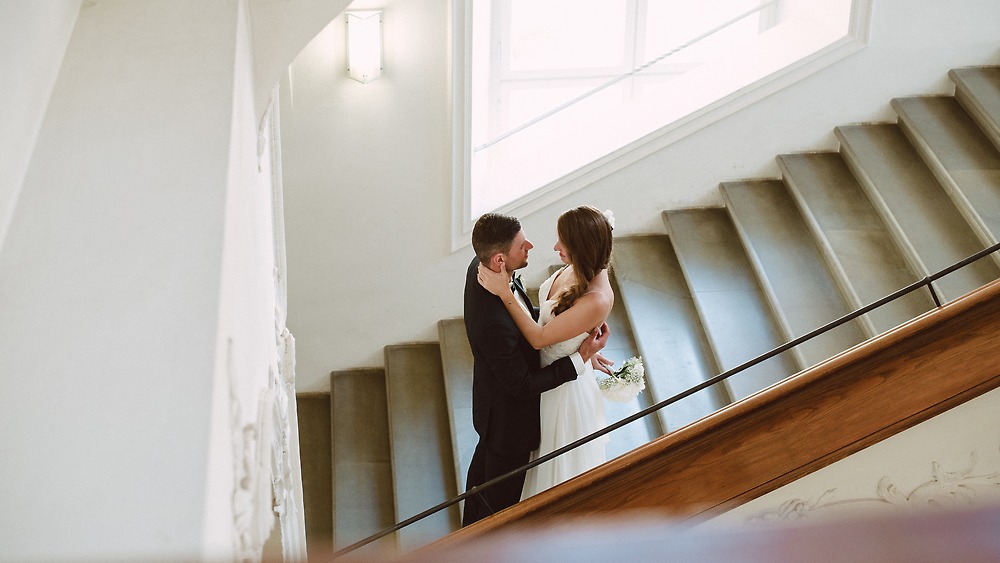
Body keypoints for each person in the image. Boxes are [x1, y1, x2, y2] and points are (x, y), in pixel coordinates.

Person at [462, 212, 611, 527]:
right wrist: (577, 357)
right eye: (521, 245)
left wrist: (577, 339)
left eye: (563, 242)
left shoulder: (482, 266)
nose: (534, 245)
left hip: (545, 398)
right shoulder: (493, 316)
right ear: (501, 260)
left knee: (486, 484)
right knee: (495, 508)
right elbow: (524, 380)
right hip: (509, 416)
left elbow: (547, 321)